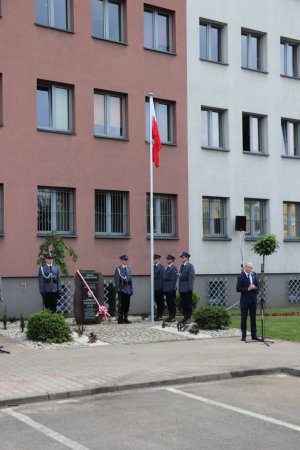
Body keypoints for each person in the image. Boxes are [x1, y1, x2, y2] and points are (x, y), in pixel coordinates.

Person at [236, 262, 260, 342]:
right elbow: (238, 289)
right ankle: (244, 335)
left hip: (253, 300)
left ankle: (254, 335)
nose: (250, 269)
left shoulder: (254, 276)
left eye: (251, 267)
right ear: (245, 267)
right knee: (244, 318)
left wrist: (254, 287)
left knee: (253, 318)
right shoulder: (241, 277)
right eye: (249, 267)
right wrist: (248, 289)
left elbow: (258, 287)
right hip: (245, 301)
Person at [114, 254, 133, 324]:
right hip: (122, 290)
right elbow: (116, 281)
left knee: (127, 305)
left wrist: (131, 290)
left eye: (127, 260)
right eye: (125, 260)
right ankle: (120, 318)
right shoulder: (118, 269)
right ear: (121, 261)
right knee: (121, 305)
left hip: (128, 290)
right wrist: (118, 290)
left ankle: (125, 318)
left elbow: (131, 281)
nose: (126, 261)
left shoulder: (129, 269)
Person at [178, 252, 195, 325]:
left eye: (183, 257)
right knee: (184, 304)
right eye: (181, 257)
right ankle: (185, 317)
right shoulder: (182, 266)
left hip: (187, 289)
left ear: (187, 258)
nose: (182, 258)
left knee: (188, 304)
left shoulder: (190, 266)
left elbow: (191, 278)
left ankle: (188, 318)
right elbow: (180, 277)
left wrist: (190, 289)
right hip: (182, 288)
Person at [163, 254, 178, 322]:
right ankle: (170, 316)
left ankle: (173, 317)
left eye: (168, 259)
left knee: (172, 303)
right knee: (168, 303)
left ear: (172, 260)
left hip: (171, 289)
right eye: (167, 259)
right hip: (167, 288)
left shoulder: (173, 267)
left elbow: (174, 279)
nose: (167, 260)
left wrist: (171, 288)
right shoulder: (168, 267)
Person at [153, 254, 165, 321]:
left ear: (158, 259)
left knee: (160, 302)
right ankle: (157, 314)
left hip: (159, 288)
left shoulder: (161, 267)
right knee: (157, 301)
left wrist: (160, 287)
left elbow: (162, 278)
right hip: (155, 287)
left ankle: (160, 315)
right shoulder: (154, 267)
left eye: (155, 259)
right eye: (153, 259)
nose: (154, 260)